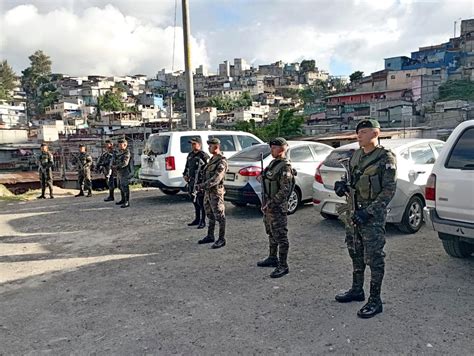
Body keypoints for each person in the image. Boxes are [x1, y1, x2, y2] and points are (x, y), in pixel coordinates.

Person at [333, 119, 397, 319]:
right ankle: (357, 290)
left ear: (375, 133)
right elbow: (351, 179)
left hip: (371, 216)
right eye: (358, 132)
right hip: (353, 212)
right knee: (355, 252)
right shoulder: (356, 156)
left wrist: (369, 212)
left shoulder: (385, 158)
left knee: (374, 258)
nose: (358, 135)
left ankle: (375, 300)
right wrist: (341, 185)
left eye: (363, 131)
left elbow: (389, 190)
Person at [257, 137, 295, 279]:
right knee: (271, 232)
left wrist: (272, 203)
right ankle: (273, 258)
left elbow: (285, 190)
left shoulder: (285, 166)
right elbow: (266, 177)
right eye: (271, 147)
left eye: (274, 147)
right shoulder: (273, 163)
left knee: (281, 236)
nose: (272, 150)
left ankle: (283, 265)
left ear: (283, 148)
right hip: (268, 205)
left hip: (277, 207)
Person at [196, 138, 228, 249]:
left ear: (217, 147)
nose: (209, 148)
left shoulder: (221, 161)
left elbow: (216, 178)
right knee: (210, 214)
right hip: (208, 192)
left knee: (220, 215)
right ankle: (210, 235)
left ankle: (221, 238)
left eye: (210, 146)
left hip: (216, 192)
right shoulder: (212, 159)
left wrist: (203, 185)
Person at [183, 137, 210, 229]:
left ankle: (203, 221)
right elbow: (187, 166)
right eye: (192, 144)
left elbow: (207, 169)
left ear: (199, 144)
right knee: (194, 201)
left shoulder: (203, 155)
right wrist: (185, 175)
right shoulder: (190, 155)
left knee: (201, 202)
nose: (193, 146)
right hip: (191, 181)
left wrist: (203, 182)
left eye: (194, 144)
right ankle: (197, 219)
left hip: (200, 182)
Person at [114, 138, 132, 208]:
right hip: (119, 172)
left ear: (125, 145)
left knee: (124, 186)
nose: (119, 146)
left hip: (125, 171)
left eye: (121, 144)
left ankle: (127, 201)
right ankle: (123, 199)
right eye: (119, 144)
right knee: (119, 186)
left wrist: (116, 166)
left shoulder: (127, 152)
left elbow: (125, 163)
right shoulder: (119, 152)